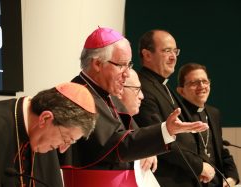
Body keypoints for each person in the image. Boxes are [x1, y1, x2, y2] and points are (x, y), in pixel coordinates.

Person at [59, 27, 208, 187]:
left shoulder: (107, 95)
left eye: (128, 65)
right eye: (121, 65)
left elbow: (133, 135)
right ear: (97, 64)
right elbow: (116, 145)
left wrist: (147, 150)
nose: (127, 73)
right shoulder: (79, 95)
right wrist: (165, 131)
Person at [133, 29, 208, 187]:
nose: (173, 57)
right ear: (147, 54)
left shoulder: (162, 86)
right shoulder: (143, 87)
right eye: (167, 51)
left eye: (175, 51)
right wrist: (198, 166)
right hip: (168, 179)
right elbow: (158, 136)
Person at [0, 82, 97, 187]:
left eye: (71, 142)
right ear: (45, 118)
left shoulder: (45, 134)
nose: (62, 150)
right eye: (65, 139)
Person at [176, 63, 239, 187]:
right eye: (194, 83)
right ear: (181, 91)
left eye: (205, 81)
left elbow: (221, 151)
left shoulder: (213, 113)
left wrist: (232, 177)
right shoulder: (177, 116)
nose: (201, 86)